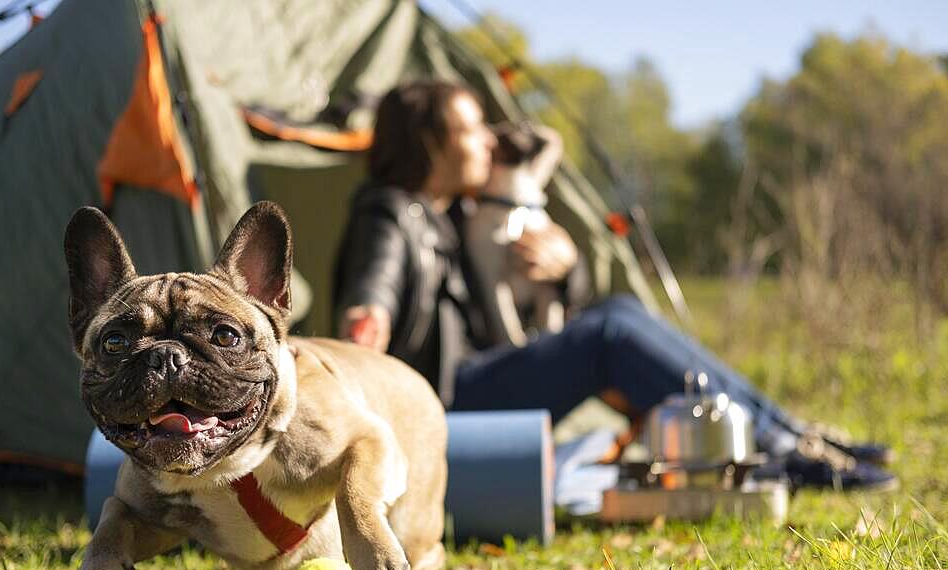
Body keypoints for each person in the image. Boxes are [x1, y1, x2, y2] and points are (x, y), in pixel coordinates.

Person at [332, 80, 896, 491]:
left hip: (473, 385)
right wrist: (367, 326)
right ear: (430, 143)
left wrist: (567, 267)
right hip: (443, 405)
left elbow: (534, 297)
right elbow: (371, 294)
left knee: (618, 312)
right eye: (471, 127)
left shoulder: (451, 216)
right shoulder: (389, 214)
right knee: (607, 335)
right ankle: (774, 450)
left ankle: (789, 432)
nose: (487, 140)